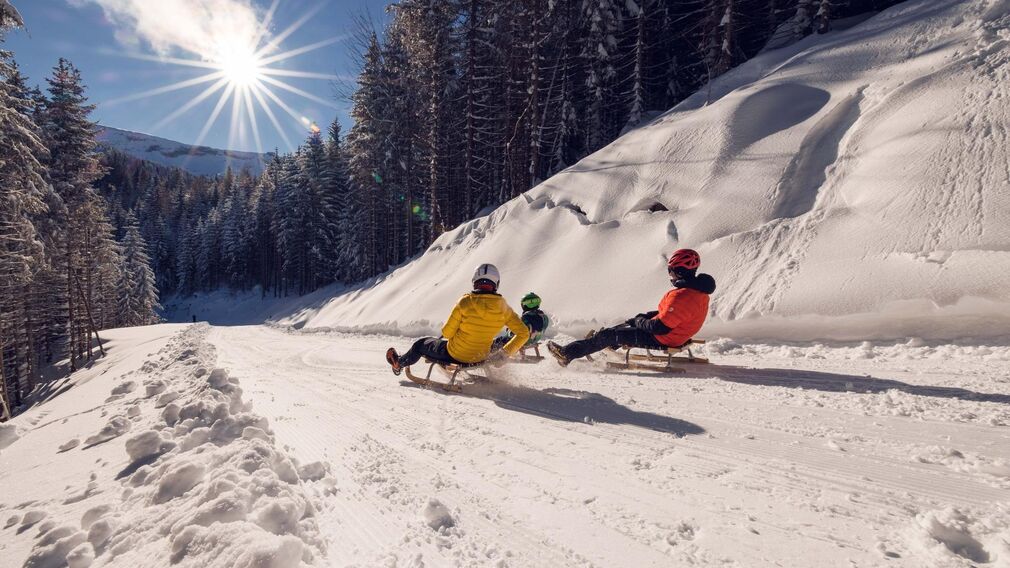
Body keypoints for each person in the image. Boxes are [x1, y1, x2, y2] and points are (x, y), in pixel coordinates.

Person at [546, 249, 715, 367]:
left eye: (670, 270)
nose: (669, 275)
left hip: (665, 338)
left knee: (609, 334)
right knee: (625, 326)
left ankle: (567, 354)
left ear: (678, 272)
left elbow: (659, 328)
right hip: (678, 334)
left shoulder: (682, 295)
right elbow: (678, 314)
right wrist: (645, 317)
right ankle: (608, 347)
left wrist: (640, 320)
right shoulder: (699, 292)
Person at [386, 263, 531, 375]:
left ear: (475, 281)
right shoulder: (503, 307)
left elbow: (447, 334)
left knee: (420, 344)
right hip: (481, 357)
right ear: (496, 284)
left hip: (455, 355)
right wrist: (504, 354)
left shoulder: (465, 302)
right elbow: (524, 333)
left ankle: (398, 364)